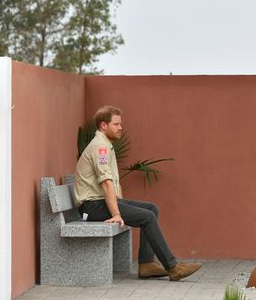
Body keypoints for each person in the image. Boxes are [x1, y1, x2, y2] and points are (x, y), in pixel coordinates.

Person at [74, 105, 201, 281]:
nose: (121, 128)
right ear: (104, 125)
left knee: (152, 209)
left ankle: (147, 264)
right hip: (91, 207)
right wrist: (117, 213)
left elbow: (112, 184)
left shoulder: (105, 146)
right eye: (116, 124)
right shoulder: (100, 148)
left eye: (120, 124)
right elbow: (106, 184)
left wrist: (122, 205)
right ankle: (173, 267)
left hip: (100, 202)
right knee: (147, 217)